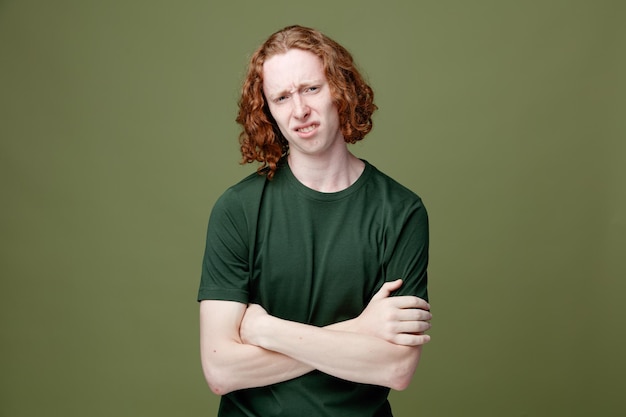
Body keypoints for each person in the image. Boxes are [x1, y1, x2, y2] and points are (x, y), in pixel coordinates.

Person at [198, 24, 432, 417]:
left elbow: (396, 368)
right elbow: (221, 370)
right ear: (267, 110)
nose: (299, 110)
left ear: (341, 90)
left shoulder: (401, 211)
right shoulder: (237, 209)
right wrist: (360, 330)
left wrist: (265, 330)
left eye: (311, 89)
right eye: (282, 97)